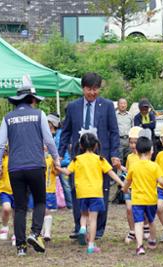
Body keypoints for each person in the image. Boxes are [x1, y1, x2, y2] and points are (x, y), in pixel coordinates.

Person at [0, 75, 60, 256]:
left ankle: (21, 247)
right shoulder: (39, 114)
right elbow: (48, 139)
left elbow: (0, 144)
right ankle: (35, 232)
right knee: (40, 201)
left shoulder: (8, 118)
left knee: (20, 207)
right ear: (32, 100)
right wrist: (55, 158)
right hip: (36, 165)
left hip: (15, 168)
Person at [59, 72, 120, 240]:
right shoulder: (73, 107)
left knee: (101, 191)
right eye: (89, 89)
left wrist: (114, 154)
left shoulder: (107, 106)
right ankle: (80, 227)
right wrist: (59, 154)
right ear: (82, 88)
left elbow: (114, 132)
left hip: (101, 155)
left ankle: (98, 229)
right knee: (77, 190)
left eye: (95, 89)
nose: (92, 93)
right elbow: (65, 132)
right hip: (78, 156)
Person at [57, 133, 124, 254]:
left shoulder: (77, 159)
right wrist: (122, 183)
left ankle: (82, 228)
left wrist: (58, 168)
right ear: (95, 146)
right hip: (95, 193)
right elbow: (111, 173)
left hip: (81, 192)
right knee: (93, 219)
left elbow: (67, 172)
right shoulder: (100, 159)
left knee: (84, 214)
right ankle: (91, 245)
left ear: (81, 146)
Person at [123, 136, 163, 255]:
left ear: (136, 152)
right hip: (151, 200)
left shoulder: (133, 166)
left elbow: (127, 182)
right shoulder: (154, 166)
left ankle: (139, 246)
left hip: (137, 200)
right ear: (151, 151)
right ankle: (152, 240)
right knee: (151, 221)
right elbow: (162, 181)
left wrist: (125, 189)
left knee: (138, 222)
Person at [47, 113, 72, 209]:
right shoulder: (47, 134)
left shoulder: (61, 133)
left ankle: (71, 205)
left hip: (63, 162)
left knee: (65, 184)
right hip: (52, 163)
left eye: (48, 122)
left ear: (52, 123)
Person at [123, 126, 142, 244]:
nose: (133, 145)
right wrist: (121, 168)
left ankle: (144, 228)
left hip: (141, 187)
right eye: (131, 142)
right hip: (130, 187)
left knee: (142, 209)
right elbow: (128, 171)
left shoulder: (145, 156)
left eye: (135, 142)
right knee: (129, 209)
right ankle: (132, 231)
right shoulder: (129, 157)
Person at [0, 147, 16, 246]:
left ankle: (16, 233)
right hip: (5, 190)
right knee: (6, 208)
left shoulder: (18, 158)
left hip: (17, 190)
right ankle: (4, 227)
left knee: (16, 213)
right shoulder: (1, 160)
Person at [41, 147, 58, 241]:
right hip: (37, 189)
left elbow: (56, 172)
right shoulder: (35, 158)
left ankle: (47, 232)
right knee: (39, 210)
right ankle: (43, 231)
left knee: (46, 210)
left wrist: (56, 165)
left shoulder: (51, 159)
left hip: (49, 189)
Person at [116, 98, 133, 165]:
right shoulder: (114, 115)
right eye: (121, 103)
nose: (123, 105)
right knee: (119, 159)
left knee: (130, 158)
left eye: (124, 103)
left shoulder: (130, 115)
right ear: (118, 105)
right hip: (119, 140)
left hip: (129, 140)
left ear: (127, 105)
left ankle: (129, 174)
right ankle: (120, 175)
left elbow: (132, 127)